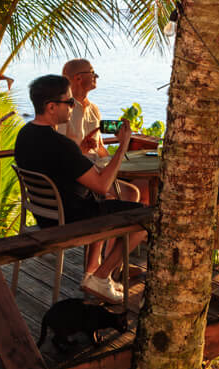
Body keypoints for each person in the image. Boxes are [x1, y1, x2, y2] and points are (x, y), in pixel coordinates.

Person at [14, 73, 143, 303]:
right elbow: (102, 185)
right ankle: (100, 277)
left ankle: (93, 271)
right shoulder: (61, 145)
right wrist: (123, 146)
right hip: (72, 220)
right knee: (143, 219)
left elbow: (57, 167)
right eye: (69, 101)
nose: (73, 106)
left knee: (110, 199)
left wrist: (80, 152)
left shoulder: (24, 135)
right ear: (51, 107)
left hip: (46, 216)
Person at [60, 58, 103, 153]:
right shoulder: (61, 111)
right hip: (76, 166)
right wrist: (81, 150)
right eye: (92, 72)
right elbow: (59, 155)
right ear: (78, 78)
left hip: (97, 165)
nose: (96, 76)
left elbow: (100, 148)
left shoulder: (94, 109)